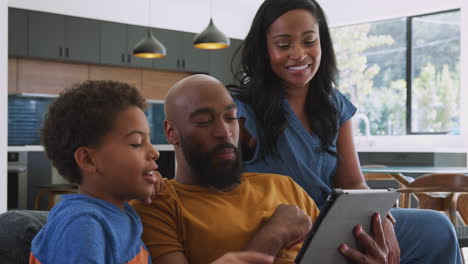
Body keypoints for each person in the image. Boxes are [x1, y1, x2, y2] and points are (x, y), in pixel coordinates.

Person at [229, 0, 463, 263]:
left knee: (437, 228)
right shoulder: (239, 110)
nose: (298, 54)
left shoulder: (334, 104)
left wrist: (382, 217)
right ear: (264, 48)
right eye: (283, 44)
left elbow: (352, 183)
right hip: (284, 229)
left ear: (322, 44)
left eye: (309, 41)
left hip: (334, 223)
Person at [132, 74, 392, 264]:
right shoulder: (158, 204)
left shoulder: (284, 186)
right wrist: (273, 235)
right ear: (171, 132)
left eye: (231, 117)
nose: (224, 131)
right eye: (203, 121)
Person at [30, 80, 267, 264]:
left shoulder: (121, 214)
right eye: (136, 143)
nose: (154, 152)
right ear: (88, 159)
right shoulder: (82, 226)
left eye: (149, 141)